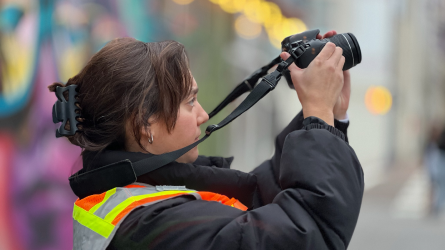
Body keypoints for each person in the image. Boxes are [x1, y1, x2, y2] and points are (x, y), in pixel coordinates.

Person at [50, 31, 363, 250]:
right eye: (190, 102)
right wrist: (317, 115)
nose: (202, 115)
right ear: (145, 125)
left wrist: (329, 113)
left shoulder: (140, 192)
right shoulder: (151, 225)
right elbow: (303, 236)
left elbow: (263, 193)